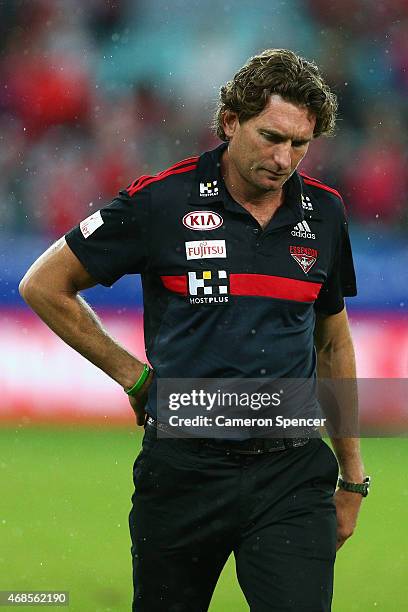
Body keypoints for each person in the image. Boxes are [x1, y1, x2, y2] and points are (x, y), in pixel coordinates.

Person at [19, 49, 370, 612]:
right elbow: (44, 284)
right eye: (271, 137)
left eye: (300, 145)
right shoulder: (161, 200)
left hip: (291, 475)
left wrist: (352, 478)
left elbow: (332, 341)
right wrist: (134, 378)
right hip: (184, 473)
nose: (284, 159)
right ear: (230, 121)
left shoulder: (325, 213)